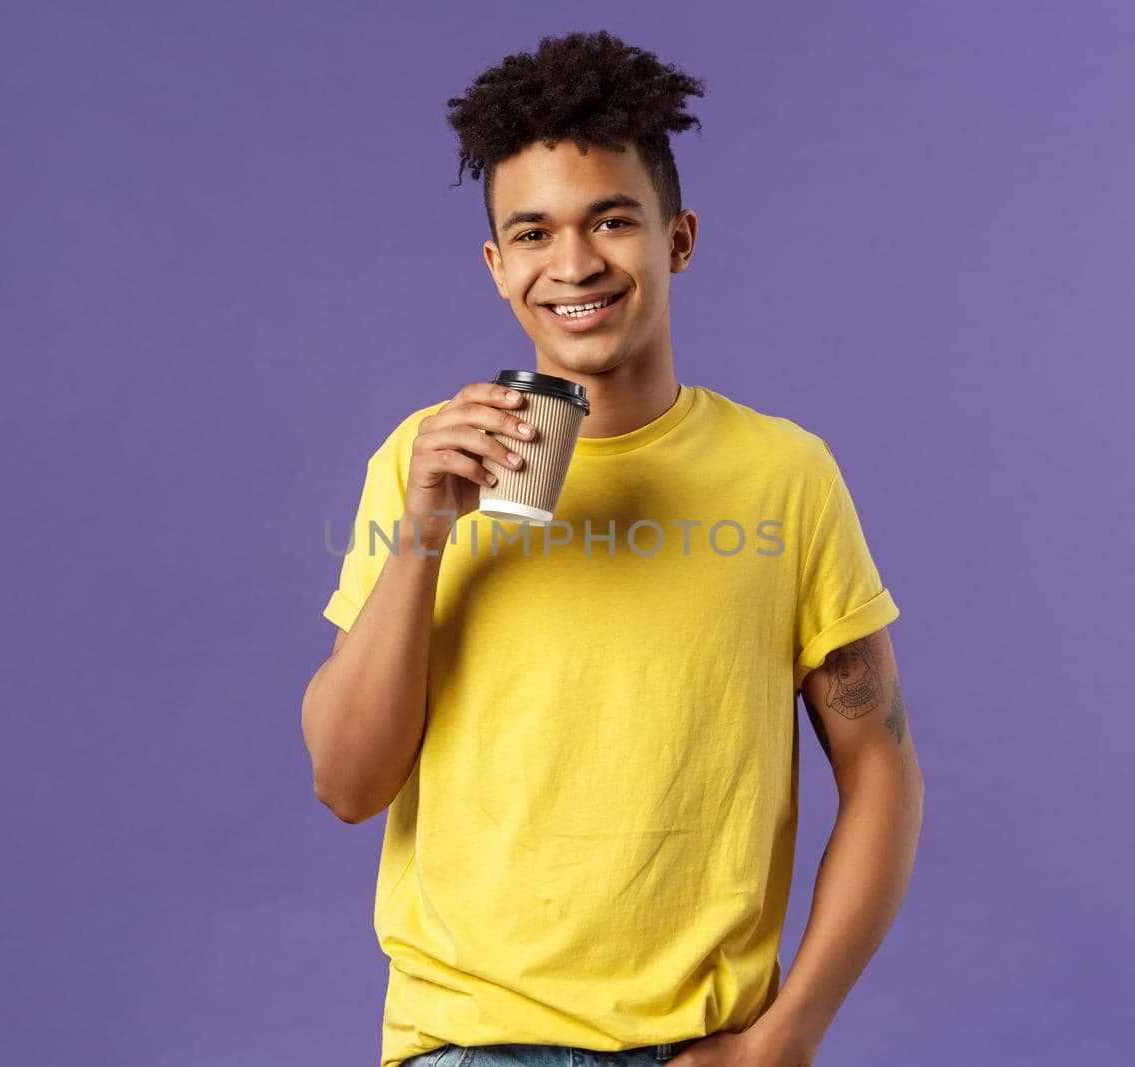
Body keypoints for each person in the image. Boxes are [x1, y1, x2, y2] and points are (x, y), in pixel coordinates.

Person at [301, 29, 925, 1067]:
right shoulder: (426, 457)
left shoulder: (783, 473)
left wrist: (788, 1034)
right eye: (534, 233)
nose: (576, 262)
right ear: (498, 268)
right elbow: (347, 782)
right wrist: (423, 531)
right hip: (468, 1042)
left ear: (677, 238)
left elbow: (882, 771)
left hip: (700, 1044)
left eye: (611, 220)